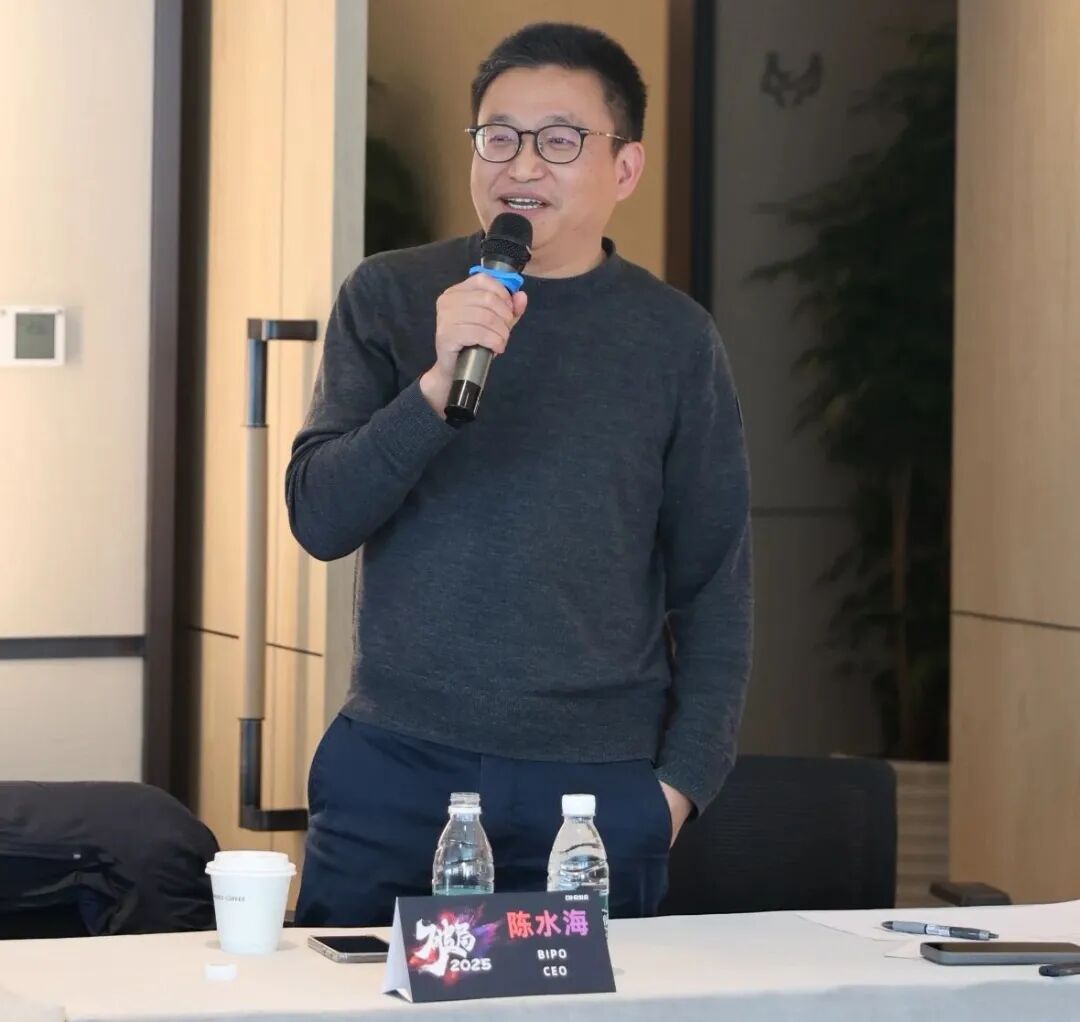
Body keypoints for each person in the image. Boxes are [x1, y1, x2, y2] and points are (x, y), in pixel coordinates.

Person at [286, 21, 752, 927]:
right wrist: (434, 385)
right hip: (396, 768)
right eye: (498, 137)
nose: (522, 165)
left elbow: (715, 585)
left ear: (625, 167)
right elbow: (320, 519)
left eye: (560, 140)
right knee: (353, 991)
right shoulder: (389, 297)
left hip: (595, 790)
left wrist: (678, 790)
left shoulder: (674, 339)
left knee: (583, 998)